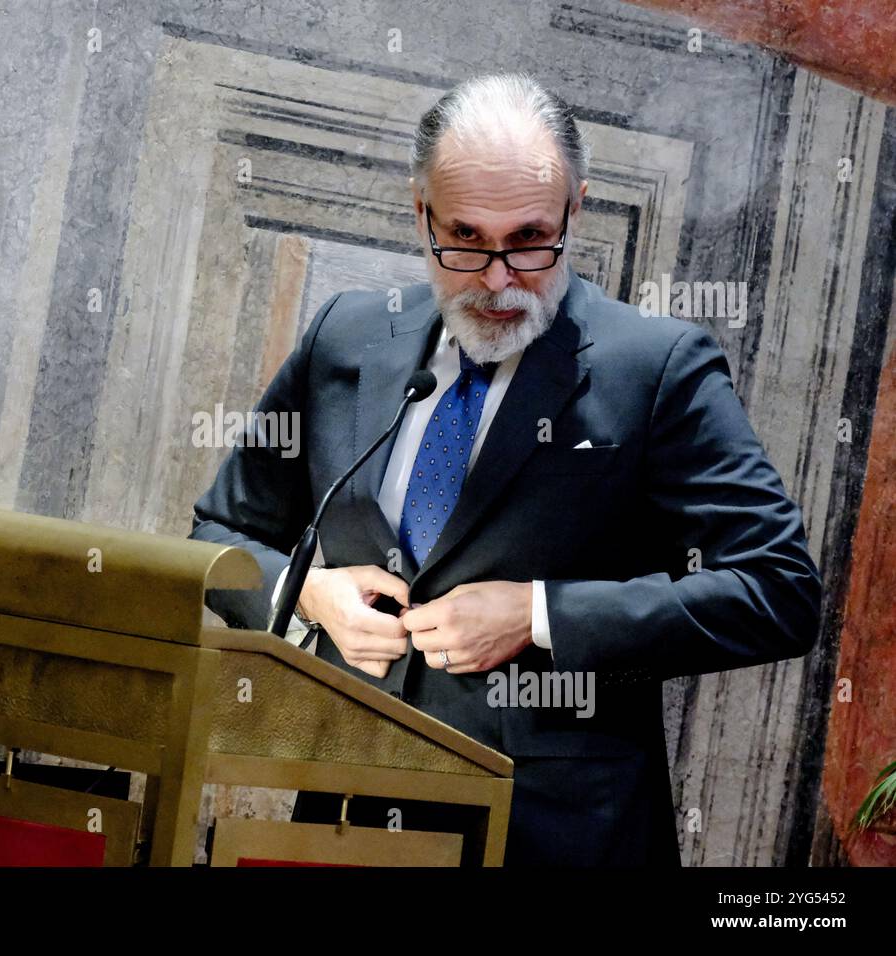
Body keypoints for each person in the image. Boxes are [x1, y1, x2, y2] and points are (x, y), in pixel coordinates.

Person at [189, 73, 821, 865]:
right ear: (420, 213)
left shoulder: (659, 370)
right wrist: (307, 593)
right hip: (345, 820)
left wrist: (538, 614)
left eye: (529, 240)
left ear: (574, 210)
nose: (496, 280)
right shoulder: (344, 338)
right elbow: (216, 535)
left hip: (557, 838)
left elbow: (779, 591)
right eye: (465, 238)